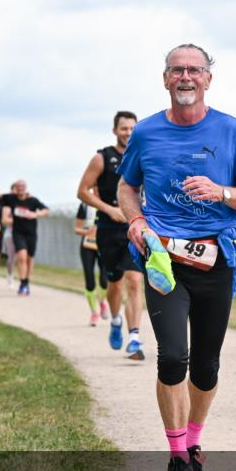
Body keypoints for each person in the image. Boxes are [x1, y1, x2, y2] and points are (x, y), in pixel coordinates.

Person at [118, 43, 236, 471]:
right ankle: (177, 459)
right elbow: (126, 185)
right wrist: (137, 222)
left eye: (194, 70)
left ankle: (194, 443)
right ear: (165, 79)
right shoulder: (146, 132)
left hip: (216, 259)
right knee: (172, 357)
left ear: (207, 79)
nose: (185, 77)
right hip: (164, 261)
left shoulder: (230, 129)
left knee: (205, 366)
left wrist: (221, 191)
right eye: (177, 70)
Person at [77, 111, 145, 359]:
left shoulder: (144, 154)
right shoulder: (102, 158)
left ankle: (135, 337)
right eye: (123, 128)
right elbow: (83, 191)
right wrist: (109, 209)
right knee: (114, 284)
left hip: (135, 229)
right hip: (108, 230)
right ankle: (116, 320)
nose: (128, 132)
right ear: (115, 131)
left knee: (135, 281)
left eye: (132, 129)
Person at [1, 179, 49, 296]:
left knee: (29, 259)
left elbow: (46, 210)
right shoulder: (11, 199)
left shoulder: (32, 200)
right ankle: (22, 283)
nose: (20, 189)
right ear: (15, 189)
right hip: (18, 233)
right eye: (18, 187)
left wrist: (35, 214)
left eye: (23, 186)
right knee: (21, 257)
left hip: (31, 234)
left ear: (26, 188)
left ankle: (26, 282)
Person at [75, 201, 108, 325]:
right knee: (89, 281)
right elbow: (77, 229)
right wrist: (88, 231)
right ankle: (94, 312)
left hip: (104, 244)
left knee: (104, 280)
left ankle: (102, 301)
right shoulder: (85, 204)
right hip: (87, 244)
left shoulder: (108, 201)